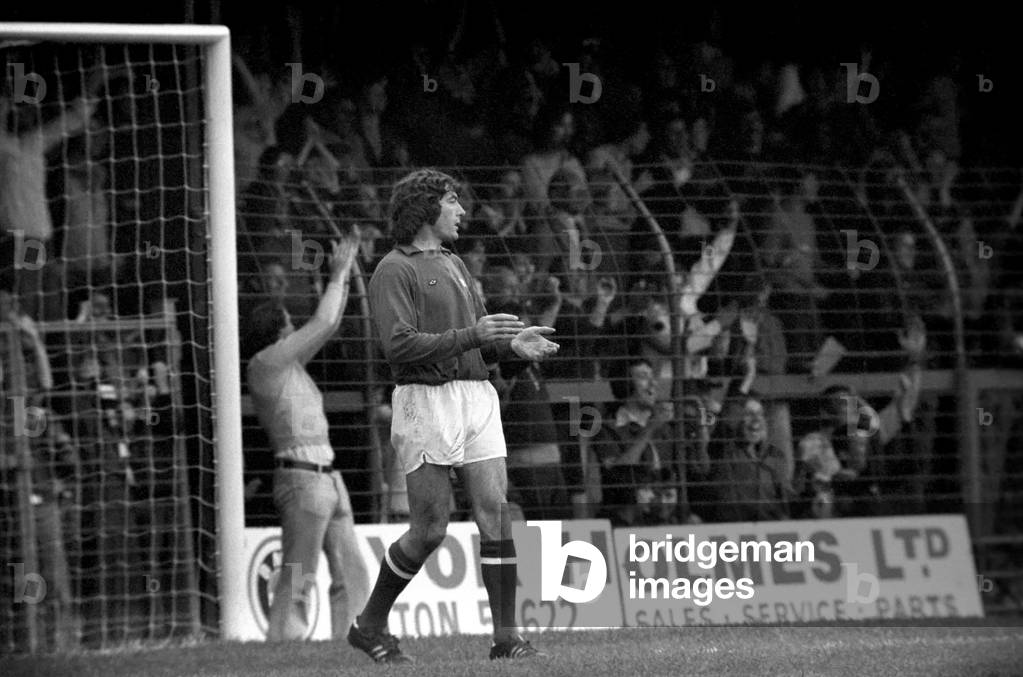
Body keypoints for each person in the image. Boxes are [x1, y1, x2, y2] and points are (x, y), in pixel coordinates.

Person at [353, 168, 558, 663]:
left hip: (476, 396)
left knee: (496, 511)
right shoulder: (393, 270)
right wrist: (476, 336)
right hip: (425, 401)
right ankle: (369, 624)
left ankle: (507, 639)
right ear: (426, 208)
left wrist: (510, 347)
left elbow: (478, 347)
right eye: (452, 202)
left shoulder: (456, 265)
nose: (462, 211)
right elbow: (399, 346)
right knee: (430, 529)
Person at [242, 226, 370, 641]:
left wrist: (345, 274)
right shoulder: (265, 365)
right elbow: (324, 319)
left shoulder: (286, 365)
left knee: (350, 569)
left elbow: (327, 324)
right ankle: (283, 644)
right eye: (288, 321)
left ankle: (355, 640)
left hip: (326, 476)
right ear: (277, 330)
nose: (296, 324)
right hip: (302, 479)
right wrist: (336, 273)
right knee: (300, 570)